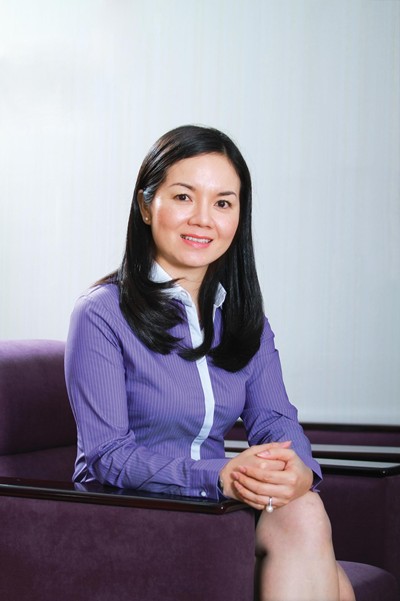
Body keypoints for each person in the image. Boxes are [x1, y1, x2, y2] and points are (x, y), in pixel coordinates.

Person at [65, 124, 355, 601]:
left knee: (303, 509)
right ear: (146, 205)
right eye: (184, 197)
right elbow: (107, 456)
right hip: (127, 514)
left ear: (239, 216)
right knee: (324, 561)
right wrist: (221, 476)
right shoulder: (101, 313)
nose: (203, 219)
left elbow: (275, 420)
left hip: (219, 509)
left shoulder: (243, 318)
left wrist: (300, 470)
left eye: (223, 203)